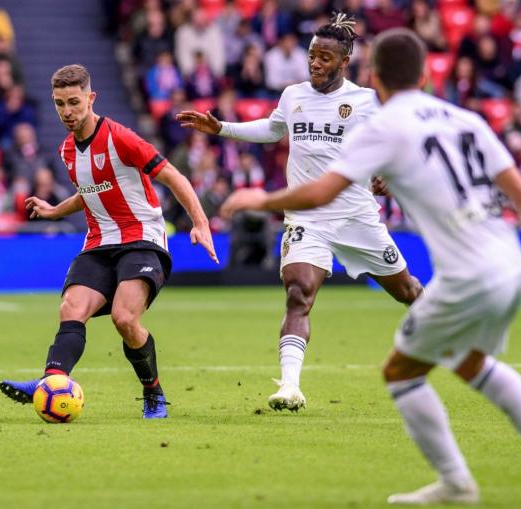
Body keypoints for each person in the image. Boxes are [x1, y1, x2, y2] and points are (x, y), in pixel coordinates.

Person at [221, 28, 521, 505]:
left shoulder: (382, 120)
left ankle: (456, 483)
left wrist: (258, 198)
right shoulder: (466, 119)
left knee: (409, 369)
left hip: (459, 268)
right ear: (426, 74)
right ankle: (451, 480)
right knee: (469, 363)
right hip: (509, 264)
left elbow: (326, 188)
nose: (316, 63)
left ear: (372, 76)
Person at [176, 13, 423, 412]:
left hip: (357, 216)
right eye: (312, 55)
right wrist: (221, 128)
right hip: (308, 218)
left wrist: (388, 176)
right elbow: (273, 130)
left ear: (344, 62)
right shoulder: (293, 95)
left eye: (325, 57)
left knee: (408, 292)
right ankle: (289, 386)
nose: (315, 63)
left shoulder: (364, 101)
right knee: (298, 294)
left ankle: (459, 334)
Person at [0, 64, 218, 419]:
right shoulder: (67, 151)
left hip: (142, 238)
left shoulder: (121, 138)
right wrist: (56, 211)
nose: (67, 112)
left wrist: (200, 221)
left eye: (74, 102)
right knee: (71, 309)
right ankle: (50, 381)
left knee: (124, 318)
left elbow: (173, 176)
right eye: (60, 104)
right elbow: (90, 191)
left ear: (91, 98)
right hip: (99, 242)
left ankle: (154, 392)